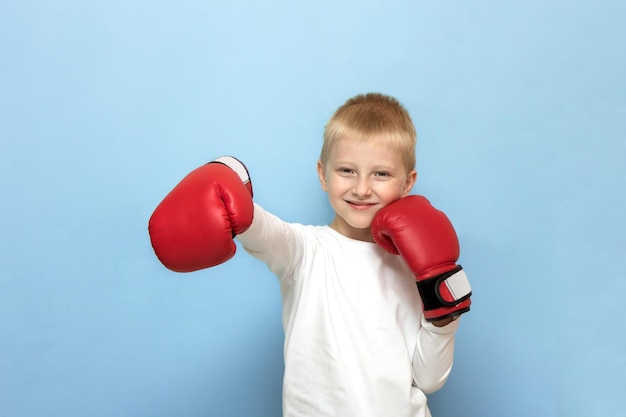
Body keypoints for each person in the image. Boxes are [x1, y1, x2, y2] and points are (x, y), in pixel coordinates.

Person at [148, 93, 472, 417]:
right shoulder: (304, 251)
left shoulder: (419, 267)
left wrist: (442, 306)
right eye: (347, 170)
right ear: (322, 174)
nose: (361, 189)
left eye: (381, 174)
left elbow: (428, 380)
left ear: (408, 183)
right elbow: (262, 229)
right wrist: (226, 187)